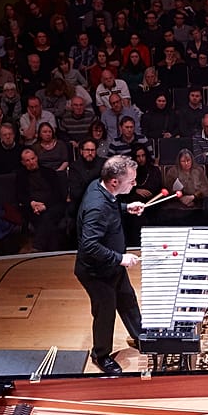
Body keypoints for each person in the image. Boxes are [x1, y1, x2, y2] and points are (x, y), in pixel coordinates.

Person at [75, 154, 148, 376]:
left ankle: (142, 337)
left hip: (111, 266)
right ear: (115, 181)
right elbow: (89, 246)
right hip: (96, 272)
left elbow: (112, 204)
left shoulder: (101, 187)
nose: (134, 184)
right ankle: (101, 354)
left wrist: (126, 208)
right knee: (105, 312)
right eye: (131, 181)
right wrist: (120, 258)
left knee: (127, 299)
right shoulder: (96, 207)